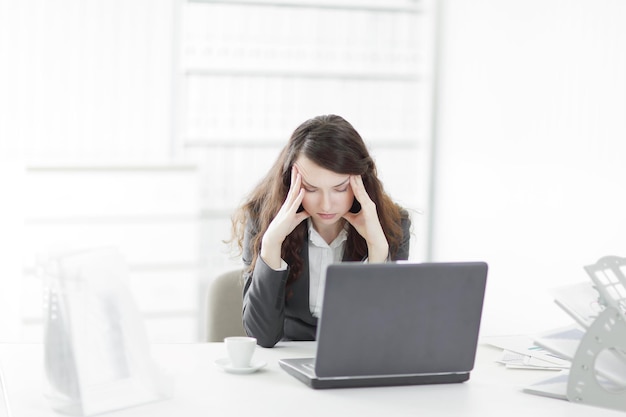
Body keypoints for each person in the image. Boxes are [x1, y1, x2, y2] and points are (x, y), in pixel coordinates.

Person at [230, 114, 411, 348]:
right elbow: (262, 336)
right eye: (311, 189)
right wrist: (271, 244)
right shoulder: (261, 219)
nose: (326, 205)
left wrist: (377, 250)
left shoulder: (393, 224)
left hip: (356, 356)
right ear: (290, 183)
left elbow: (384, 332)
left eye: (340, 188)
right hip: (288, 358)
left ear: (361, 182)